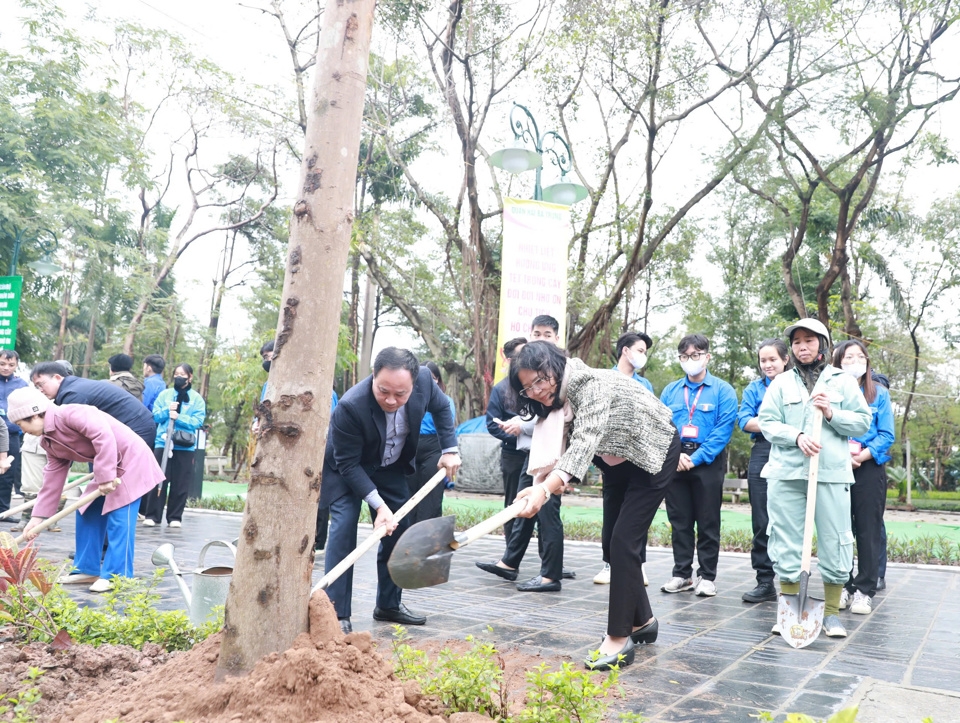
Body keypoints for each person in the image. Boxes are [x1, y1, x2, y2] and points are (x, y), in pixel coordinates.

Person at [508, 341, 680, 670]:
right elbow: (558, 448)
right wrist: (540, 486)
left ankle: (618, 638)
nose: (536, 390)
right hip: (617, 461)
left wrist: (545, 490)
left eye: (540, 380)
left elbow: (586, 440)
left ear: (554, 367)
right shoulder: (551, 404)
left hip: (653, 452)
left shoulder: (590, 385)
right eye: (527, 387)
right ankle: (642, 621)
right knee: (610, 542)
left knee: (624, 541)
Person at [319, 347, 460, 635]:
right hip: (348, 470)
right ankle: (337, 613)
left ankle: (388, 605)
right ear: (374, 376)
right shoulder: (350, 405)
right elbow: (347, 464)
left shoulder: (424, 381)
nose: (391, 400)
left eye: (401, 394)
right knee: (344, 528)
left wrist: (450, 449)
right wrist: (378, 505)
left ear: (414, 384)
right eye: (384, 391)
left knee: (398, 530)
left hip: (390, 467)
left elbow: (443, 408)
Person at [758, 318, 871, 639]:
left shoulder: (843, 382)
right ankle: (790, 611)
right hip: (787, 473)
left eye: (809, 340)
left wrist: (833, 413)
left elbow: (863, 422)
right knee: (785, 540)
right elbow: (767, 422)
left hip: (831, 473)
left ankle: (832, 614)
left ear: (823, 344)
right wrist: (796, 436)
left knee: (836, 539)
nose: (802, 347)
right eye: (796, 342)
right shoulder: (781, 383)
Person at [10, 387, 163, 593]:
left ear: (35, 414)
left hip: (131, 459)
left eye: (21, 424)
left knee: (119, 515)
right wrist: (38, 518)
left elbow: (103, 436)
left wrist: (106, 476)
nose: (22, 430)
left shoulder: (72, 413)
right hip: (109, 466)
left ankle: (118, 576)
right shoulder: (48, 440)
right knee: (86, 511)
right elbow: (53, 478)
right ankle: (87, 568)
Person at [476, 317, 574, 592]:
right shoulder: (523, 374)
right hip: (534, 453)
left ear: (556, 338)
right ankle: (510, 562)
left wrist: (523, 425)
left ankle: (550, 573)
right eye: (536, 333)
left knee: (546, 511)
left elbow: (558, 416)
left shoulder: (563, 371)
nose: (536, 389)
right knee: (523, 507)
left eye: (547, 334)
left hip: (554, 456)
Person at [659, 334, 737, 597]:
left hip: (707, 462)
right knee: (679, 521)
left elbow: (722, 430)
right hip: (675, 461)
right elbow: (661, 425)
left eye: (695, 355)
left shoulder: (723, 390)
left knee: (707, 520)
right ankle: (682, 574)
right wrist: (677, 455)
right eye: (685, 356)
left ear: (707, 356)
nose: (690, 360)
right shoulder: (670, 390)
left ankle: (707, 576)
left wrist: (695, 458)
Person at [832, 340, 895, 615]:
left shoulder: (878, 393)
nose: (854, 361)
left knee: (868, 530)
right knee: (839, 529)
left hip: (868, 467)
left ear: (868, 362)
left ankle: (864, 590)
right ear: (837, 362)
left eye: (860, 356)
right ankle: (843, 586)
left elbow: (886, 434)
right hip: (836, 466)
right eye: (848, 357)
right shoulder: (830, 392)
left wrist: (861, 456)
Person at [595, 331, 657, 586]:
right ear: (625, 351)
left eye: (644, 352)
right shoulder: (603, 379)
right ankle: (609, 564)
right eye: (640, 350)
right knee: (612, 509)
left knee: (637, 513)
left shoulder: (646, 386)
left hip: (638, 459)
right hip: (611, 458)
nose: (643, 356)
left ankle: (637, 564)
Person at [737, 339, 791, 603]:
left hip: (794, 449)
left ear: (785, 360)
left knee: (792, 518)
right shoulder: (754, 389)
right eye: (763, 360)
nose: (768, 364)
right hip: (763, 451)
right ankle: (765, 581)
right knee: (761, 519)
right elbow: (744, 421)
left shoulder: (798, 386)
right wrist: (778, 425)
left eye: (773, 359)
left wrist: (767, 423)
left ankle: (793, 580)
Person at [144, 363, 206, 528]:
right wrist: (167, 410)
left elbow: (197, 421)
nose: (179, 377)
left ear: (190, 377)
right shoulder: (165, 395)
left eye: (183, 374)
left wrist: (179, 417)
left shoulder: (196, 399)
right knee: (159, 480)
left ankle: (175, 517)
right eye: (176, 373)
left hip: (184, 446)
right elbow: (155, 416)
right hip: (162, 443)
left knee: (180, 483)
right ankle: (152, 515)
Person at [484, 337, 528, 543]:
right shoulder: (500, 389)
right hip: (513, 456)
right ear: (510, 360)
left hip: (539, 454)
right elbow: (492, 424)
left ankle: (550, 563)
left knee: (546, 506)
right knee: (513, 503)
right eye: (521, 356)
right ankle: (510, 555)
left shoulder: (536, 384)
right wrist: (517, 436)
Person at [404, 361, 456, 524]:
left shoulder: (444, 401)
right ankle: (407, 535)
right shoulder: (409, 397)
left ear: (438, 380)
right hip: (411, 445)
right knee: (408, 493)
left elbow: (447, 426)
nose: (429, 382)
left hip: (434, 447)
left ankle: (427, 535)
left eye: (433, 378)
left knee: (431, 494)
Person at [0, 350, 28, 517]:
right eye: (2, 364)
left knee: (8, 473)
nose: (6, 368)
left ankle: (3, 510)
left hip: (12, 435)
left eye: (11, 365)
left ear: (17, 365)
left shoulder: (21, 384)